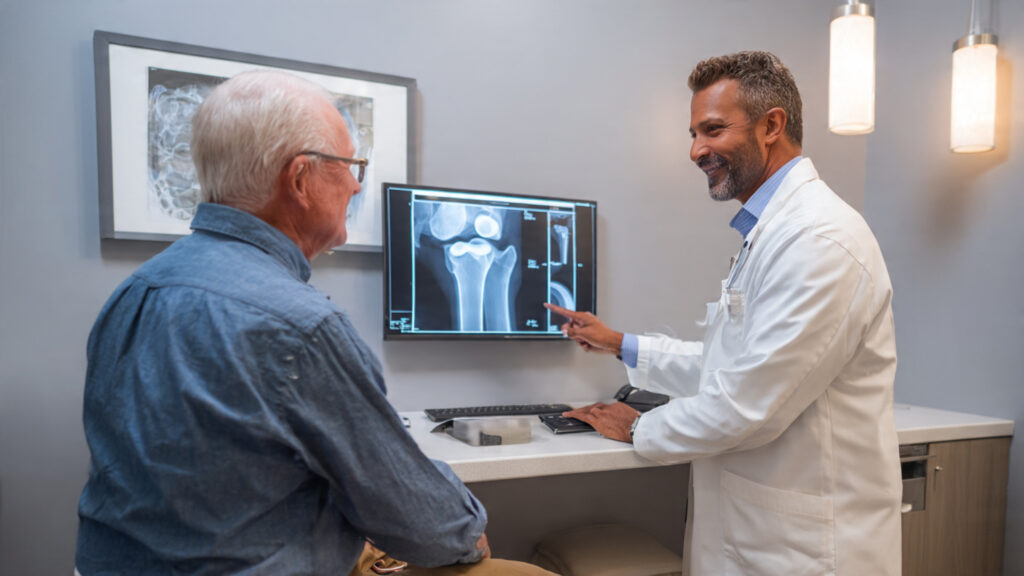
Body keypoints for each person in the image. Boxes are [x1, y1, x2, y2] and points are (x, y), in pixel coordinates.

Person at [75, 70, 553, 576]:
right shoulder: (301, 327)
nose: (354, 184)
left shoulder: (133, 292)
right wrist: (465, 529)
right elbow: (430, 528)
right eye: (352, 165)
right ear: (301, 179)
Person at [546, 51, 901, 576]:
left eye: (712, 130)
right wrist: (621, 342)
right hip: (759, 535)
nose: (696, 150)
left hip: (806, 550)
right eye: (693, 133)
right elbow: (729, 367)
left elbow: (748, 404)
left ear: (771, 126)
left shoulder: (821, 239)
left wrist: (640, 427)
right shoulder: (773, 233)